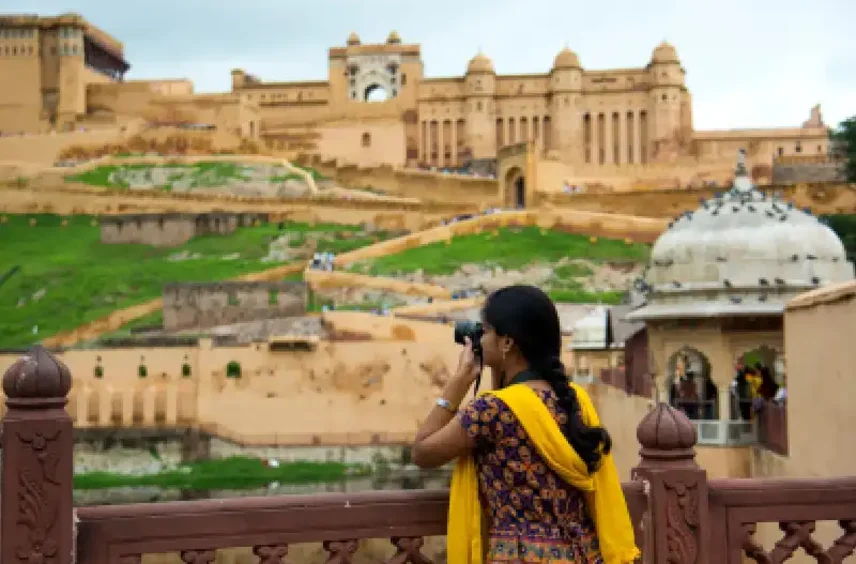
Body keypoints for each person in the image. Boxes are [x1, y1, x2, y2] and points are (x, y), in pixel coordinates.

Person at [412, 285, 639, 564]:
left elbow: (422, 452)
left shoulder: (492, 410)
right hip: (583, 552)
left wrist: (460, 380)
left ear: (507, 343)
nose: (479, 340)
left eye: (485, 331)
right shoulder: (576, 399)